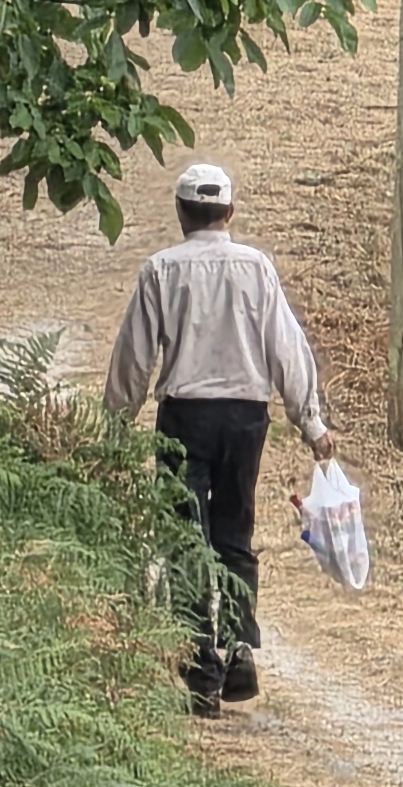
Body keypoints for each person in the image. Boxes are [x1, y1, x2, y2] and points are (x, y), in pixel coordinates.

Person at [103, 161, 339, 714]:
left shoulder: (161, 270)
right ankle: (238, 649)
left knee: (186, 539)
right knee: (235, 533)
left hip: (183, 419)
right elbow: (287, 349)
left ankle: (199, 666)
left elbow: (134, 360)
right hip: (245, 419)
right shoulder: (256, 268)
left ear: (181, 213)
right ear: (229, 213)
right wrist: (311, 423)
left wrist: (113, 427)